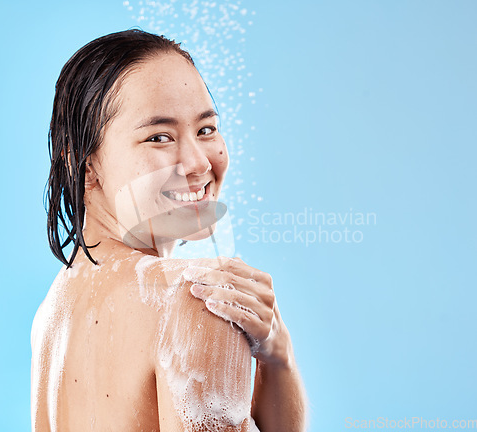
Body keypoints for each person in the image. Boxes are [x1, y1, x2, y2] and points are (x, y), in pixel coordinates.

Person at [31, 29, 307, 431]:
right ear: (85, 166)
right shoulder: (197, 302)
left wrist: (277, 360)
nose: (197, 162)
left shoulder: (52, 314)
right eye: (159, 137)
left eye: (206, 130)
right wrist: (282, 360)